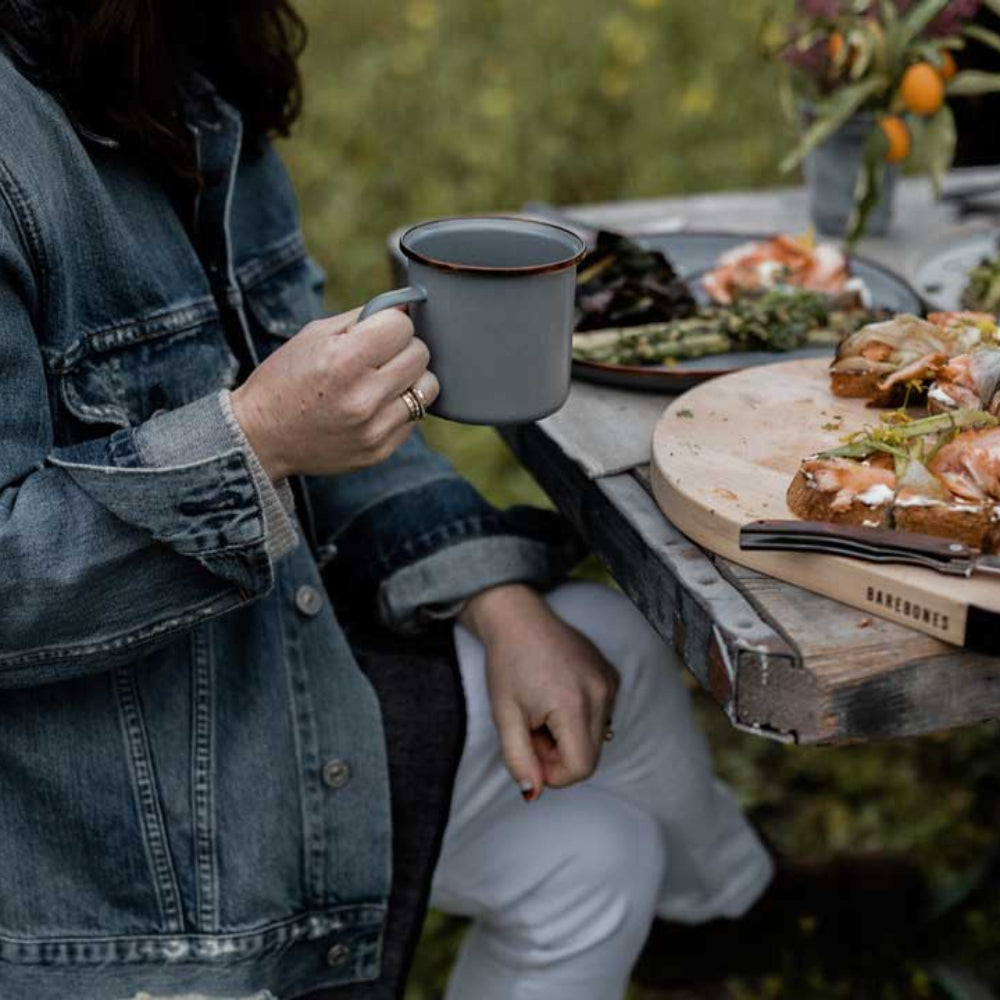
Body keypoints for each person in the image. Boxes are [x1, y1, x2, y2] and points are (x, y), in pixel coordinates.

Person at [0, 2, 775, 999]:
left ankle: (734, 912)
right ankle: (739, 916)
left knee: (598, 729)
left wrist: (494, 601)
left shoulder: (175, 70)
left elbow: (315, 394)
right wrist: (256, 441)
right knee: (596, 837)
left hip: (244, 660)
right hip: (105, 823)